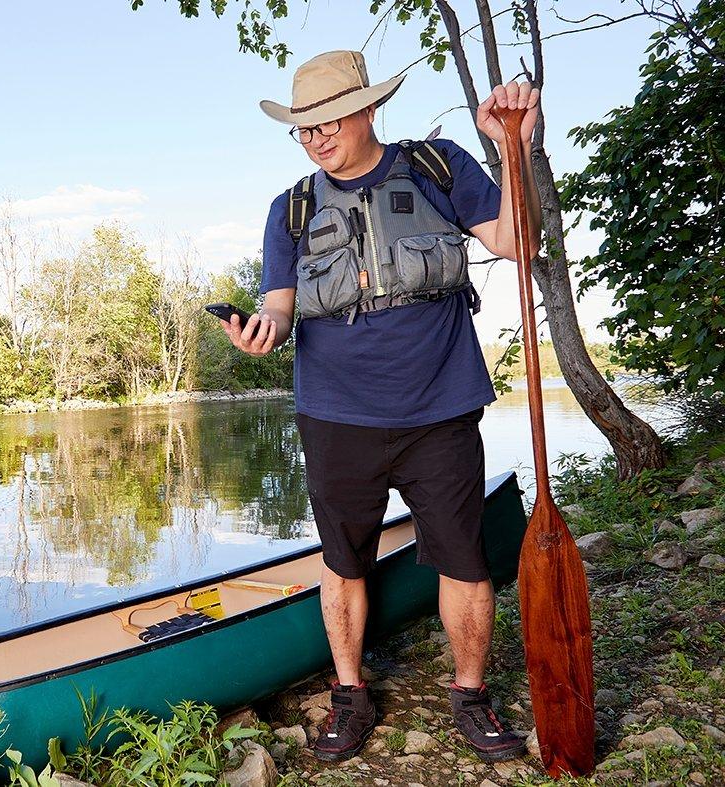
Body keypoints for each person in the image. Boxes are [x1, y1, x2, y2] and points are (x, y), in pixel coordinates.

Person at [219, 50, 541, 764]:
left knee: (465, 561)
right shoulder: (290, 209)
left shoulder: (438, 167)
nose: (316, 138)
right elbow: (279, 310)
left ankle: (470, 695)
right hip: (336, 416)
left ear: (368, 109)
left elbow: (519, 242)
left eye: (329, 121)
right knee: (342, 562)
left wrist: (512, 148)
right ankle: (350, 695)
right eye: (304, 128)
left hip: (441, 408)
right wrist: (260, 331)